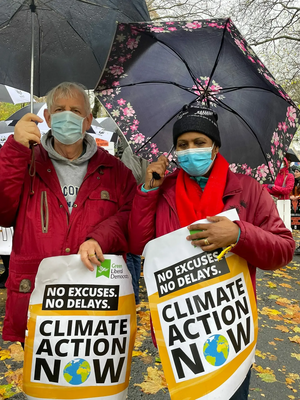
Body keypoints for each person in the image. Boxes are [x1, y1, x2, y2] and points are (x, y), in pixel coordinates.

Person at [128, 103, 295, 400]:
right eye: (183, 144)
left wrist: (239, 234)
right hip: (181, 328)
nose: (191, 150)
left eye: (199, 143)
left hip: (230, 326)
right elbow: (139, 244)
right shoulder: (163, 189)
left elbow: (283, 248)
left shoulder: (248, 190)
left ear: (215, 147)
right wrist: (148, 191)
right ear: (175, 151)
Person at [0, 82, 136, 343]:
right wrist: (15, 151)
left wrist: (100, 238)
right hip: (37, 298)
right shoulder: (24, 159)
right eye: (60, 109)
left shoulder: (115, 171)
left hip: (95, 300)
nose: (67, 115)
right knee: (43, 382)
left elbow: (131, 217)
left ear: (87, 120)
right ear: (48, 118)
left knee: (94, 380)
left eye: (75, 110)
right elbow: (4, 213)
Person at [290, 167, 300, 254]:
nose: (295, 173)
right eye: (294, 172)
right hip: (294, 206)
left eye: (297, 172)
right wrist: (291, 196)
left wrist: (298, 197)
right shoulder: (295, 182)